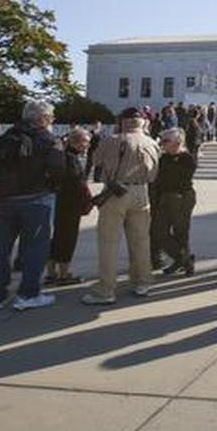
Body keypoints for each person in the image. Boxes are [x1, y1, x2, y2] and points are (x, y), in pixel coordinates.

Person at [0, 101, 71, 311]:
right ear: (43, 119)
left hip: (4, 200)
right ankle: (28, 293)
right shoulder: (49, 140)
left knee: (0, 249)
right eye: (51, 117)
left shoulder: (4, 139)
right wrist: (51, 186)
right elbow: (59, 169)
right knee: (35, 249)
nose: (52, 121)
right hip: (36, 198)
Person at [81, 107, 160, 305]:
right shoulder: (152, 142)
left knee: (109, 242)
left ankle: (106, 289)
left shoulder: (113, 140)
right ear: (143, 122)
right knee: (141, 240)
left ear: (123, 121)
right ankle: (142, 281)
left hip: (117, 192)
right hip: (141, 192)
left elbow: (96, 160)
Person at [45, 127, 92, 286]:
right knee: (67, 239)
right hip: (70, 204)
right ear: (78, 142)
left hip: (58, 201)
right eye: (86, 142)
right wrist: (87, 200)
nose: (87, 145)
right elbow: (77, 183)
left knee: (55, 239)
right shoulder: (72, 158)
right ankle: (64, 274)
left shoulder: (61, 155)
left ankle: (51, 273)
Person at [152, 127, 198, 277]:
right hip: (165, 197)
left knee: (181, 232)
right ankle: (184, 258)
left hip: (181, 197)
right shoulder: (164, 158)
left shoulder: (187, 158)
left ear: (177, 142)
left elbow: (178, 178)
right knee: (158, 232)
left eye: (166, 141)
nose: (163, 144)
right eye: (162, 141)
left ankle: (181, 261)